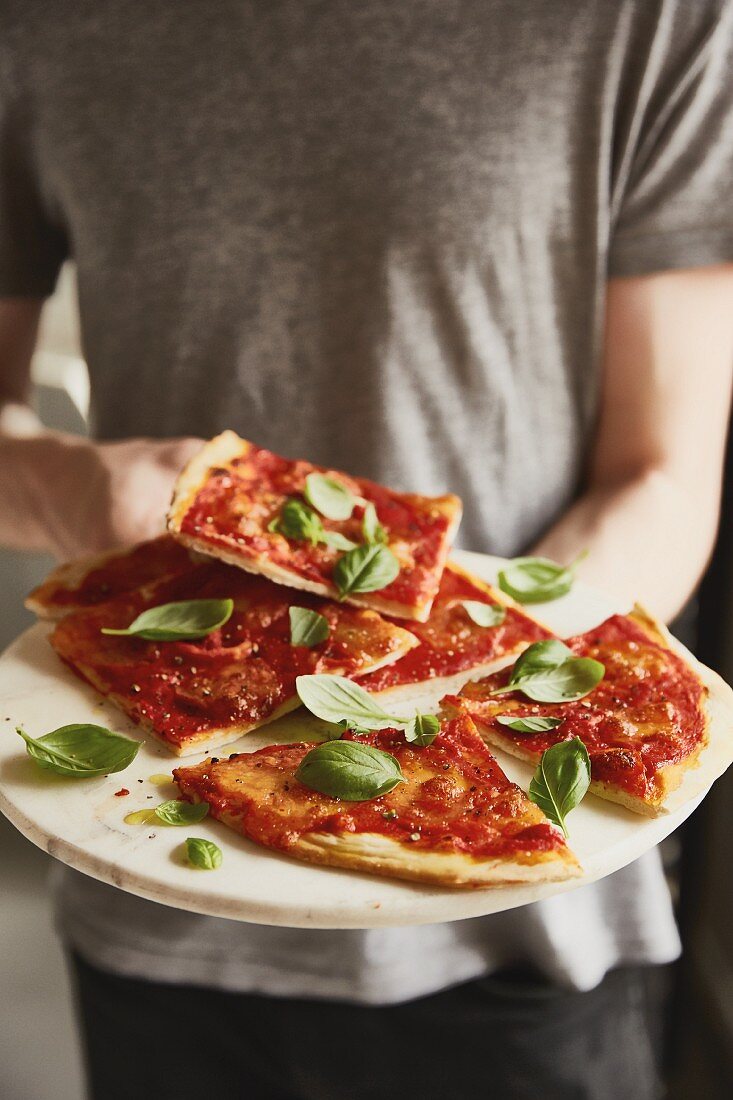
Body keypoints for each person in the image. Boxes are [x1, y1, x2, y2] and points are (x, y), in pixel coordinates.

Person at [2, 2, 733, 1097]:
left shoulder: (651, 17)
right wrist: (75, 487)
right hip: (152, 875)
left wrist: (472, 683)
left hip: (524, 926)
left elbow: (660, 474)